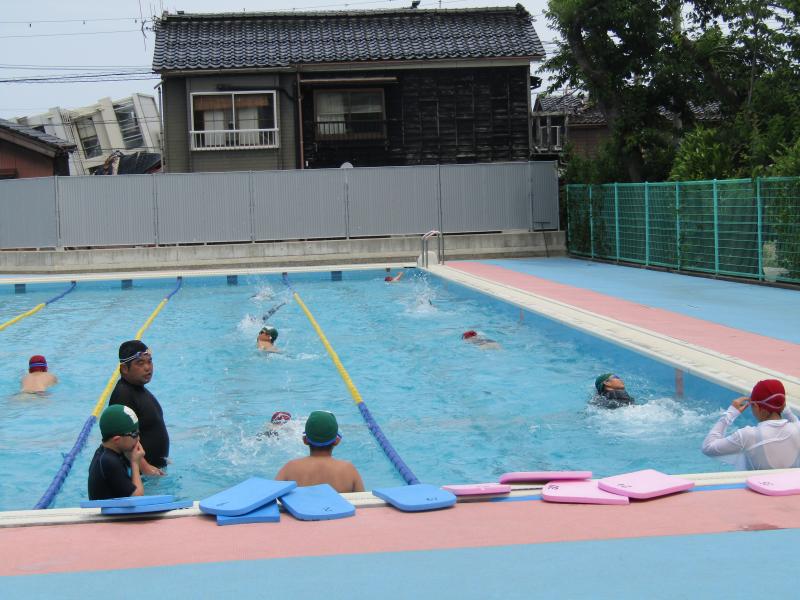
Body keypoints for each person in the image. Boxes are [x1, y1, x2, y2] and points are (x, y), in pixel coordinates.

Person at [702, 379, 800, 470]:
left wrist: (730, 414)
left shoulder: (748, 435)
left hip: (761, 484)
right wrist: (783, 408)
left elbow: (708, 447)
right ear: (784, 404)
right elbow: (794, 420)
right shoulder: (797, 428)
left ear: (756, 407)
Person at [109, 340, 168, 476]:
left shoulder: (138, 389)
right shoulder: (123, 395)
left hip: (152, 471)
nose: (147, 367)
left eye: (149, 361)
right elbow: (122, 440)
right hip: (140, 476)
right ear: (125, 369)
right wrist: (146, 468)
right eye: (140, 363)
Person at [276, 411, 365, 493]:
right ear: (337, 441)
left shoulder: (290, 468)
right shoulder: (348, 470)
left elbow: (272, 497)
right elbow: (363, 500)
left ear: (305, 440)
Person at [87, 404, 145, 500]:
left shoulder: (104, 451)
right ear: (117, 440)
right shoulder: (109, 461)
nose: (138, 438)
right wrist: (135, 463)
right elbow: (137, 497)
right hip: (108, 510)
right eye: (134, 434)